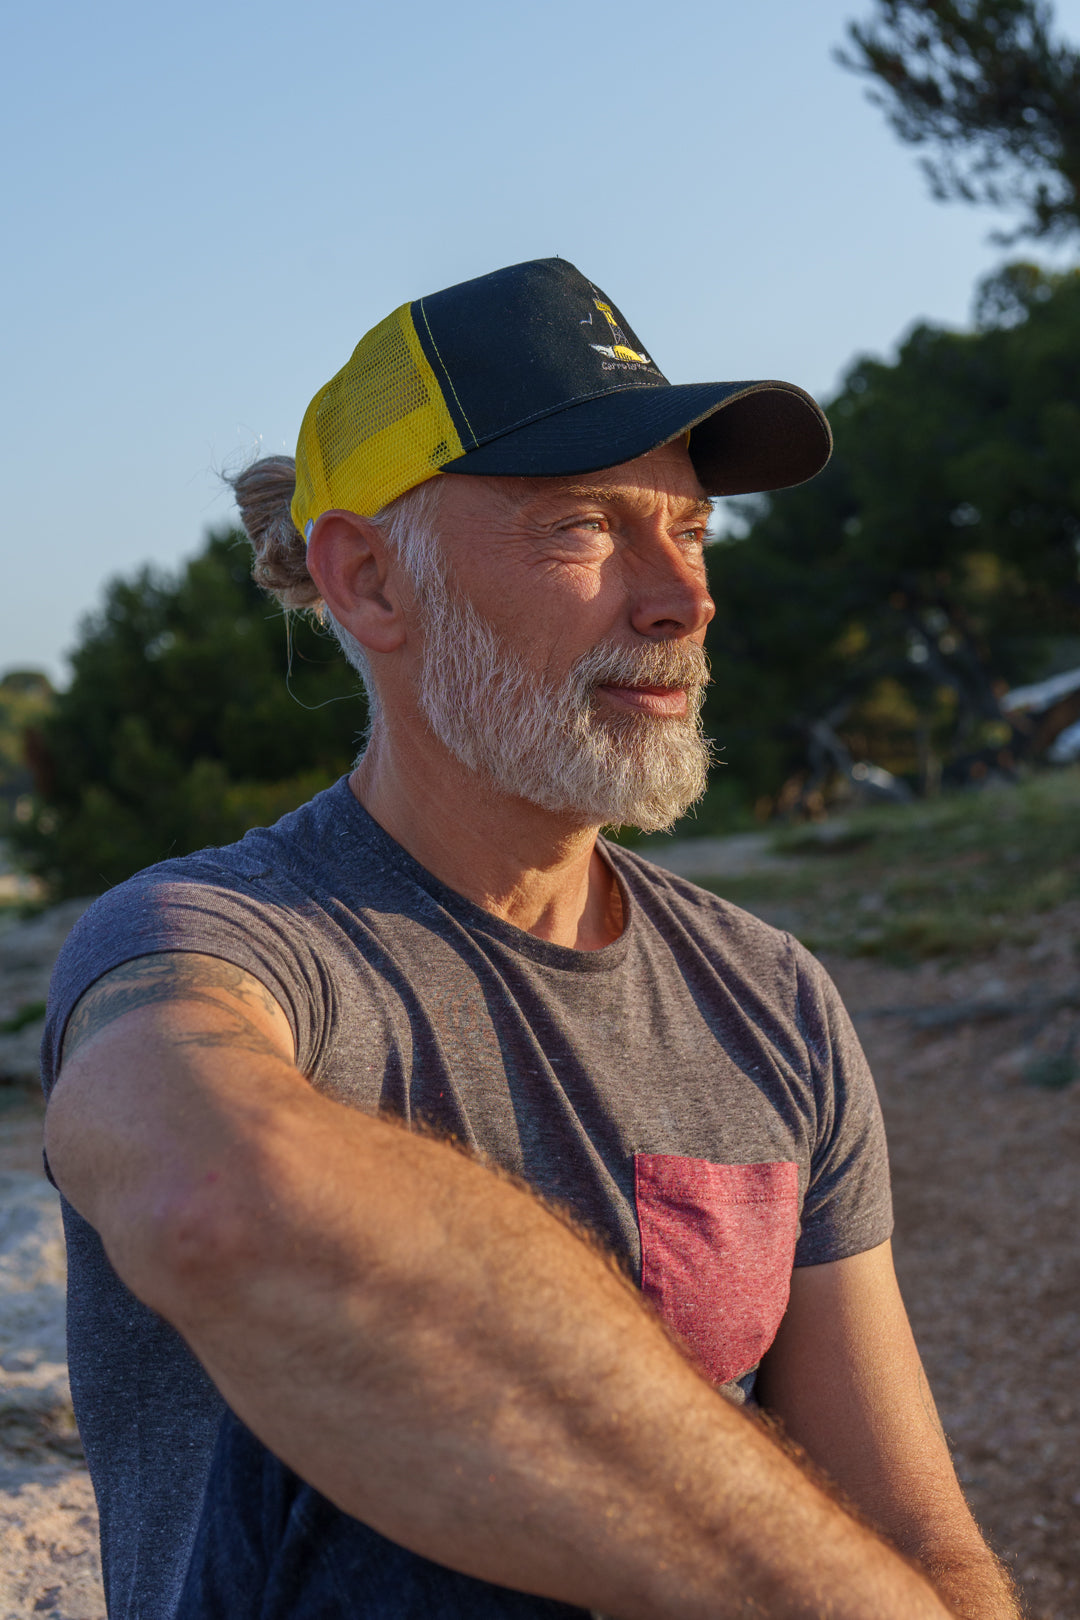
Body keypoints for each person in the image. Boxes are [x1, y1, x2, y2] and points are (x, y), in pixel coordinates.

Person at [42, 258, 1018, 1620]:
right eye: (582, 528)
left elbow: (924, 1533)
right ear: (371, 583)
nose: (680, 602)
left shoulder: (772, 998)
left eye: (694, 534)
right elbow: (219, 1198)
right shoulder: (222, 944)